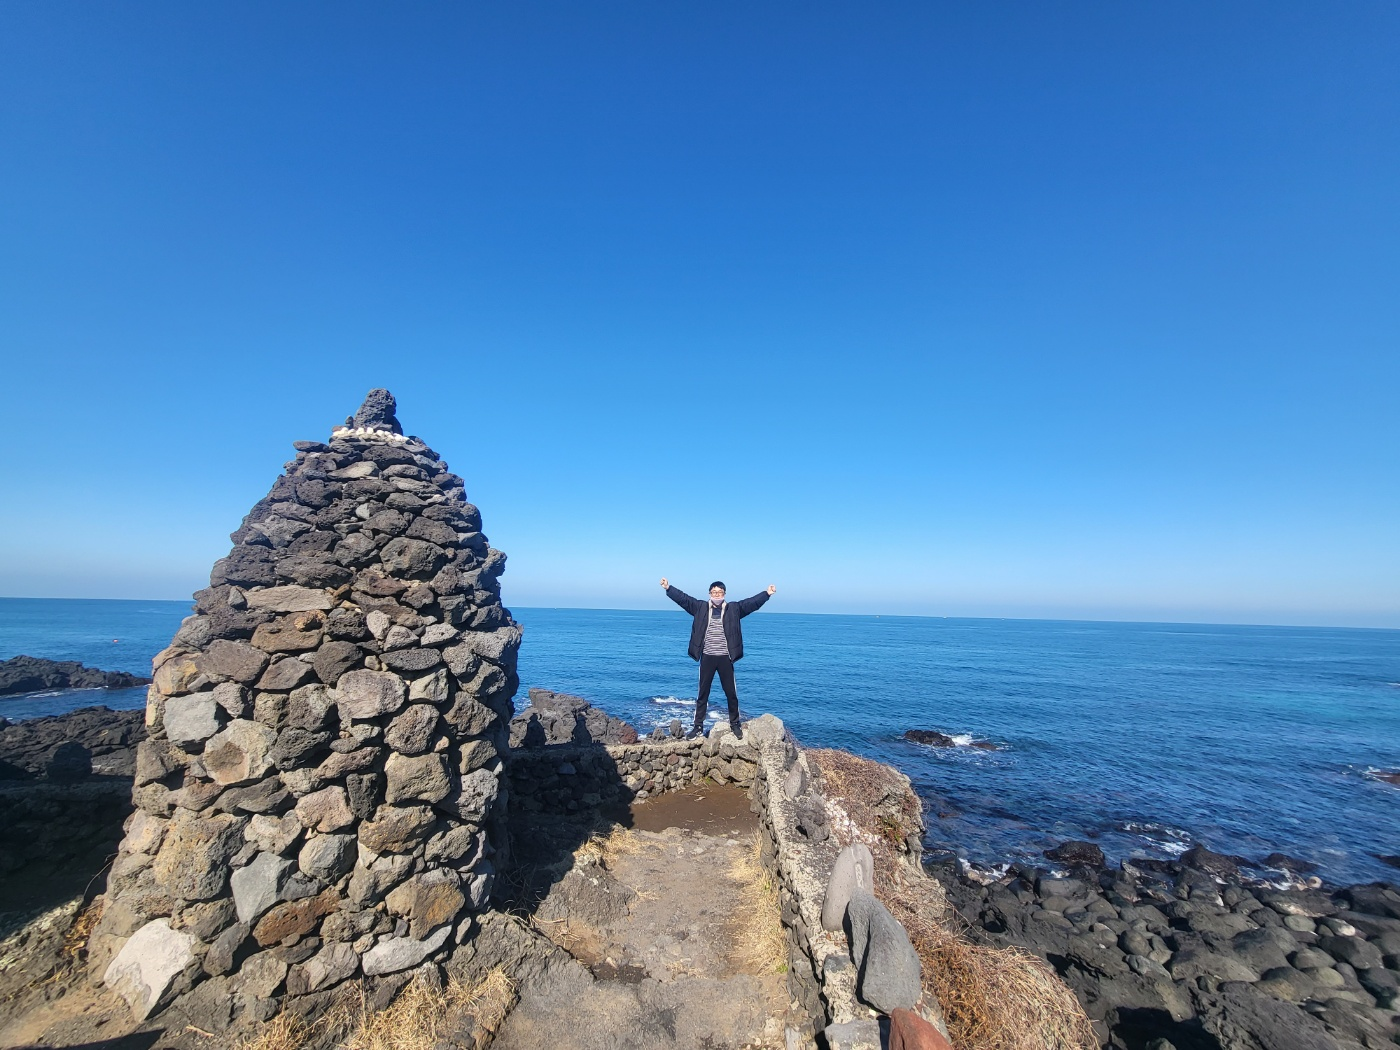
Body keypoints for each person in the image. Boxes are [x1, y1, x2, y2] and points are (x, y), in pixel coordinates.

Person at [659, 577, 776, 739]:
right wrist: (668, 588)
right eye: (714, 592)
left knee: (731, 693)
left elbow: (751, 603)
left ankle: (735, 724)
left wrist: (767, 594)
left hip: (725, 658)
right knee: (703, 694)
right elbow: (684, 599)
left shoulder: (733, 609)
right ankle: (698, 726)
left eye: (720, 592)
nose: (717, 595)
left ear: (724, 594)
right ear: (709, 593)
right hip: (707, 657)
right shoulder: (700, 607)